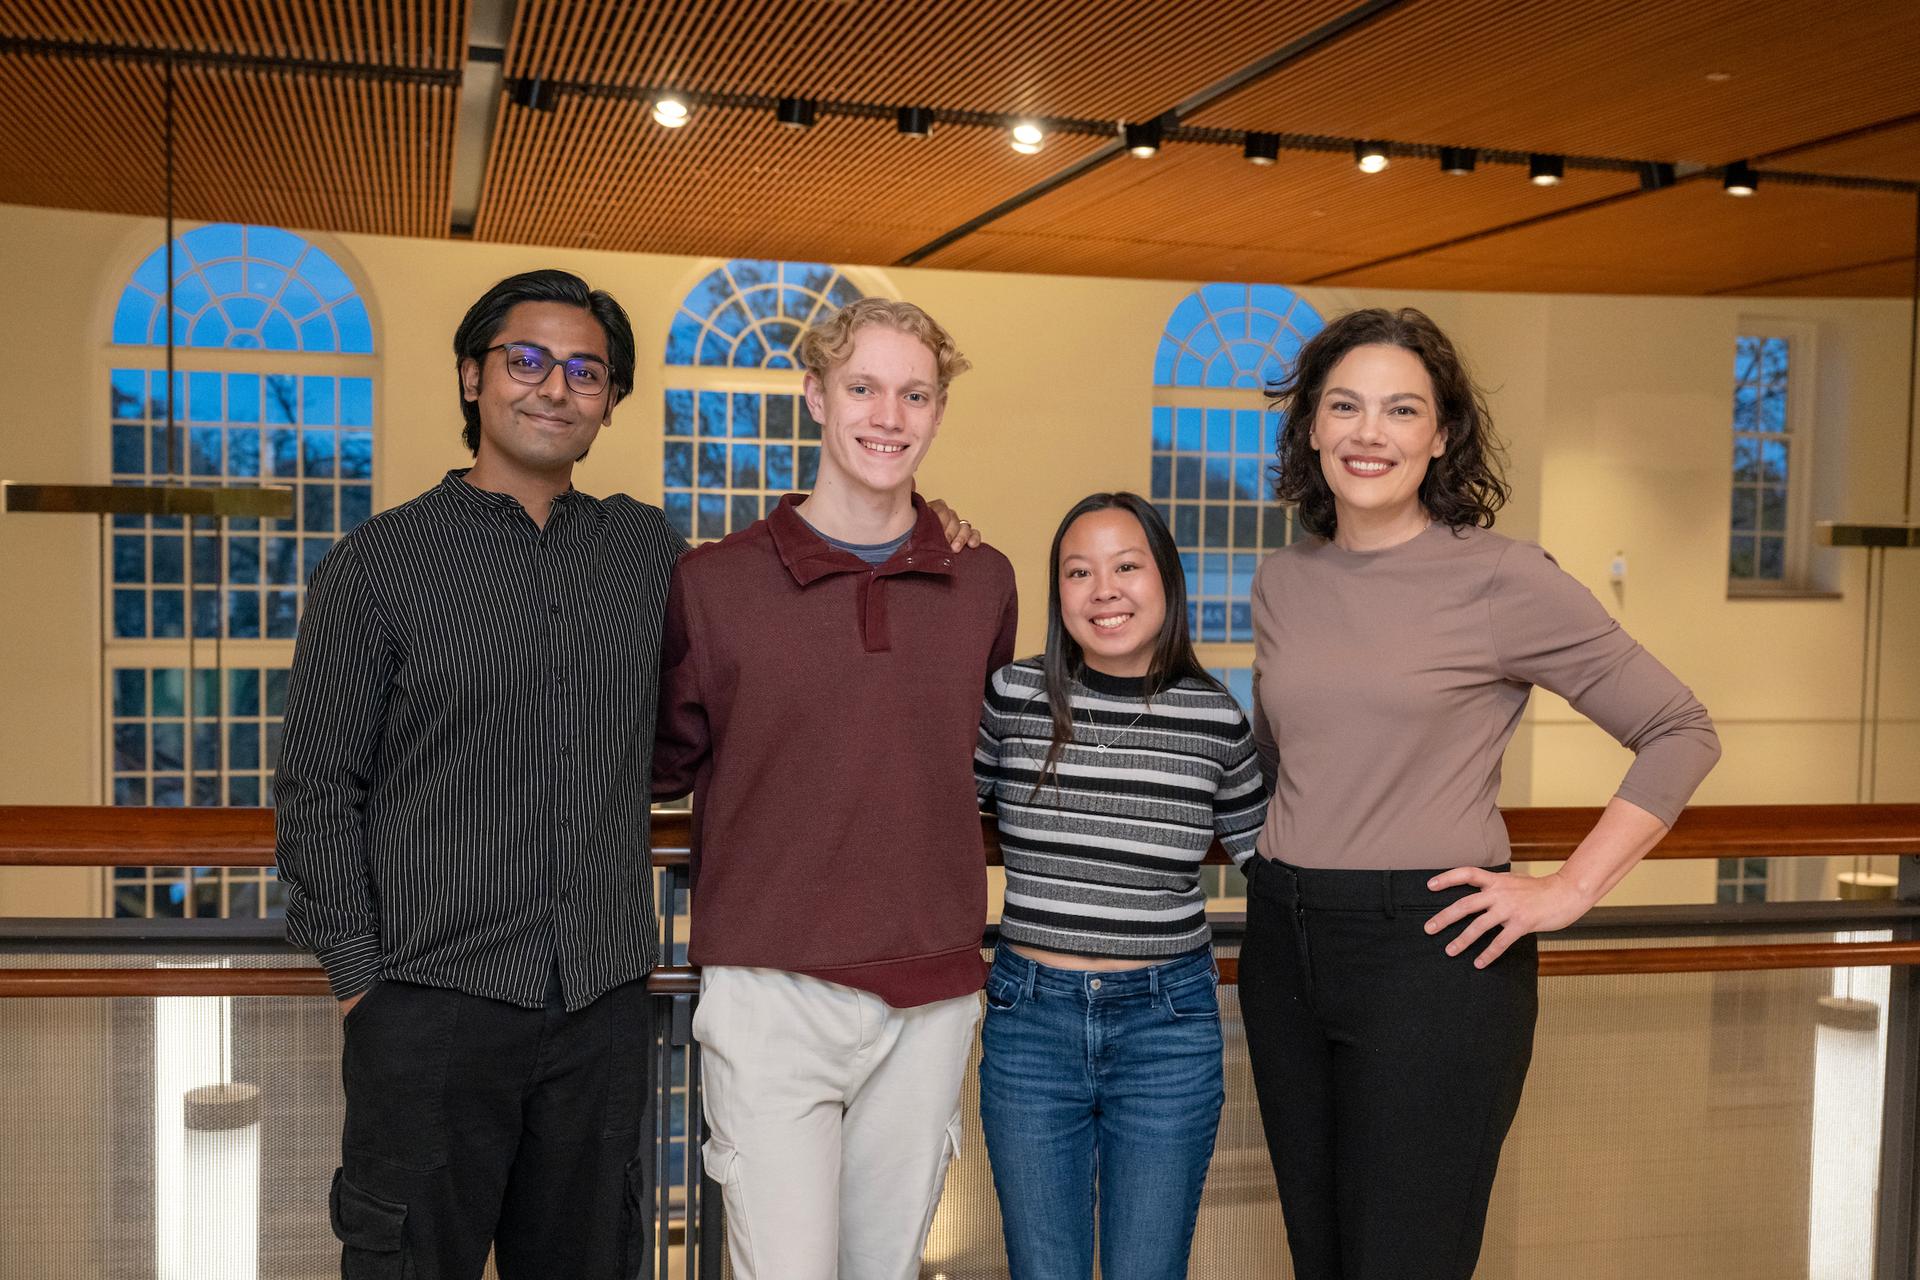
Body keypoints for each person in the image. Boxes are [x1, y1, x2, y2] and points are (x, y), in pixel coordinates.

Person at [1237, 307, 1722, 1280]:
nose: (1369, 432)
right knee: (1318, 1257)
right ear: (1313, 427)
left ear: (1441, 433)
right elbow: (1286, 756)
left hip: (1433, 953)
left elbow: (1681, 730)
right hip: (1283, 941)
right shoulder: (1284, 580)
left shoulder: (1501, 578)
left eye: (1401, 409)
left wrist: (1568, 888)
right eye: (1346, 406)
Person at [274, 269, 682, 1278]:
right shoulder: (377, 564)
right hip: (427, 1002)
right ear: (472, 376)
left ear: (610, 402)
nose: (555, 387)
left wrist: (909, 509)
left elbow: (760, 631)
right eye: (527, 360)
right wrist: (361, 979)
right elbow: (318, 786)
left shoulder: (647, 552)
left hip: (601, 999)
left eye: (587, 371)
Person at [653, 296, 1017, 1280]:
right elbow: (657, 764)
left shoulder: (984, 579)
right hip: (772, 988)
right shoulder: (713, 584)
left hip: (934, 992)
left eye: (915, 393)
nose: (888, 415)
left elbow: (977, 749)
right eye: (863, 387)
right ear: (814, 393)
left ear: (939, 410)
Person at [973, 492, 1266, 1280]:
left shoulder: (1215, 719)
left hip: (1167, 1031)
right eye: (1079, 572)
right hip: (1029, 1024)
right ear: (1058, 592)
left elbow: (1273, 863)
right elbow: (935, 828)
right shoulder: (1012, 699)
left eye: (1127, 566)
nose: (1104, 589)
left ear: (1165, 580)